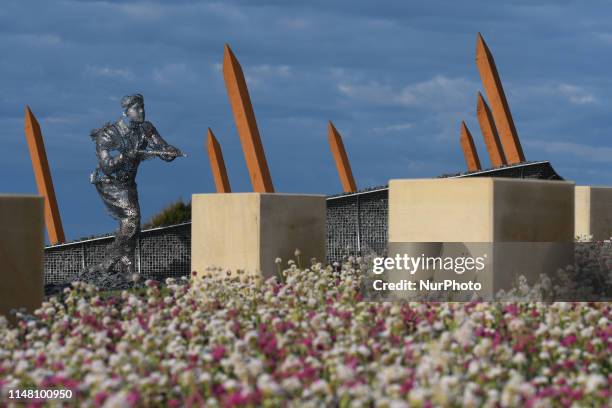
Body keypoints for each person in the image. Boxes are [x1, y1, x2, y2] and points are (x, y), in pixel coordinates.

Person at [85, 94, 184, 278]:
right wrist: (124, 156)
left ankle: (110, 265)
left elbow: (161, 148)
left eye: (143, 107)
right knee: (132, 217)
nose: (141, 111)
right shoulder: (109, 134)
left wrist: (170, 152)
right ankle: (126, 269)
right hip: (110, 184)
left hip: (129, 184)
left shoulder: (146, 129)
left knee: (132, 225)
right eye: (136, 108)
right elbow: (107, 165)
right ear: (126, 112)